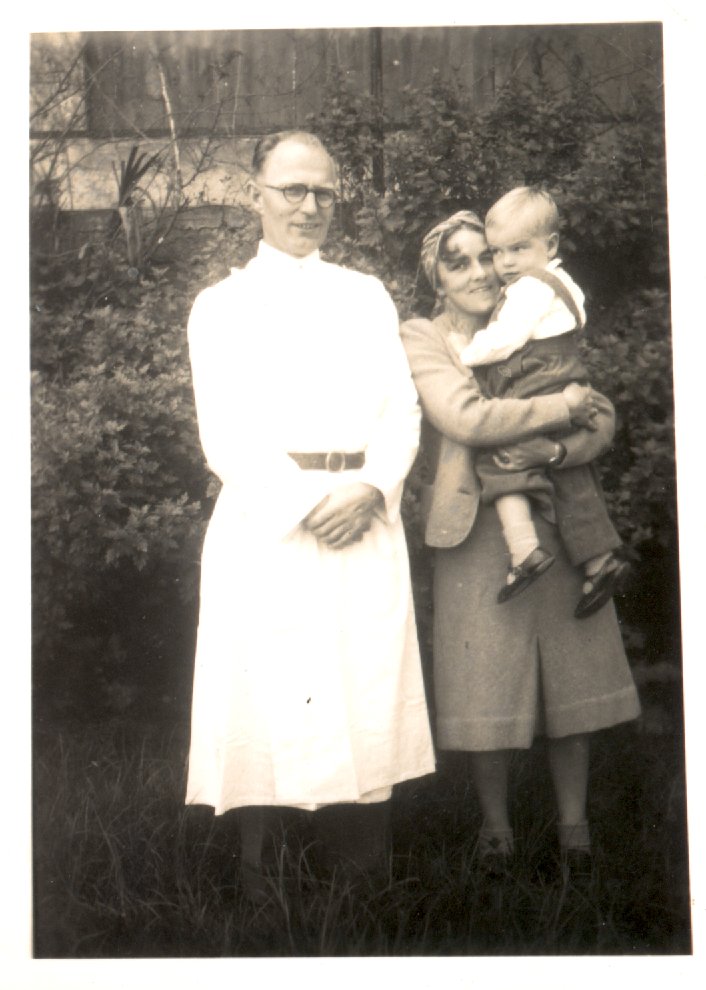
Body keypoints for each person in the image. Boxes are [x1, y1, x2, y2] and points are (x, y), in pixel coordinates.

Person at [185, 130, 435, 900]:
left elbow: (404, 408)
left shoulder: (366, 294)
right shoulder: (221, 306)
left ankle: (362, 874)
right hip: (271, 525)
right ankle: (261, 879)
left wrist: (372, 488)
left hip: (361, 517)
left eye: (323, 190)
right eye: (291, 189)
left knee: (361, 686)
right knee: (264, 689)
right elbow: (223, 434)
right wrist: (304, 503)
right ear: (253, 193)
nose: (309, 204)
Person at [400, 210, 640, 877]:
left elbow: (603, 413)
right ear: (437, 278)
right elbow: (465, 417)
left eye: (486, 256)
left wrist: (562, 443)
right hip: (477, 528)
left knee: (572, 668)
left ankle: (575, 829)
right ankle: (497, 833)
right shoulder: (425, 335)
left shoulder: (531, 305)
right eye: (459, 261)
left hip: (555, 517)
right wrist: (561, 408)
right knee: (485, 680)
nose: (479, 271)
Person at [456, 187, 628, 617]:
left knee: (500, 462)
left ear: (550, 245)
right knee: (574, 482)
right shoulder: (562, 284)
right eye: (499, 252)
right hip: (564, 377)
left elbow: (506, 340)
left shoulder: (528, 290)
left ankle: (524, 552)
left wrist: (463, 352)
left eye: (518, 249)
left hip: (536, 384)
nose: (506, 263)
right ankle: (599, 560)